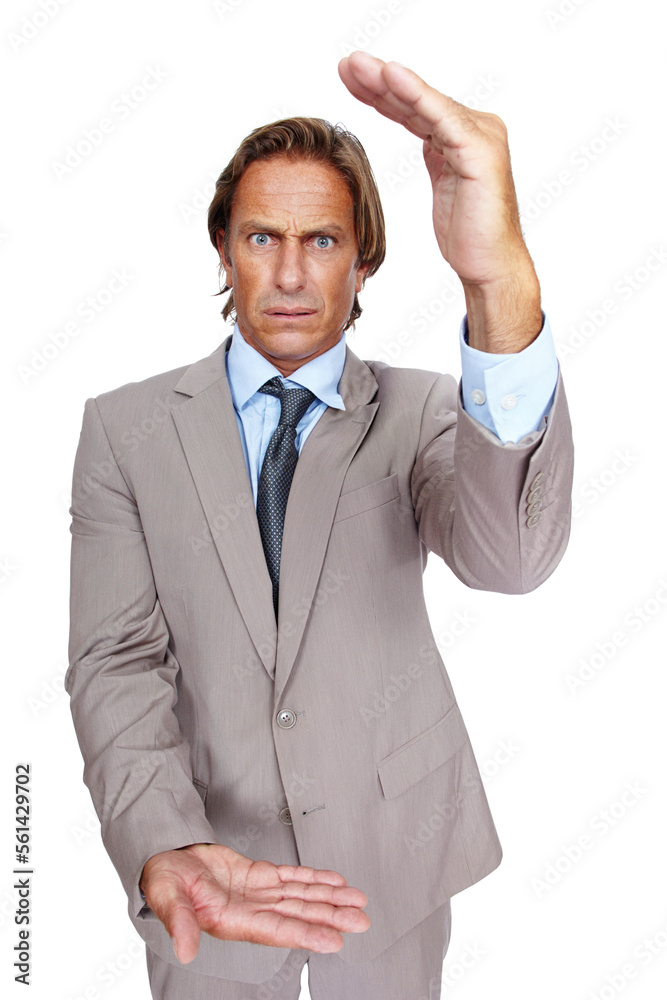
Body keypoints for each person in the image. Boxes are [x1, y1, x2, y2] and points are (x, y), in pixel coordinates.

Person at [66, 52, 574, 999]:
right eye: (262, 239)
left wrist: (495, 280)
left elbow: (509, 562)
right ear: (221, 245)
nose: (292, 274)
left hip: (392, 864)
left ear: (365, 256)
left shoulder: (427, 415)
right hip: (212, 871)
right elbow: (115, 664)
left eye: (324, 241)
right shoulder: (124, 430)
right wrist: (162, 842)